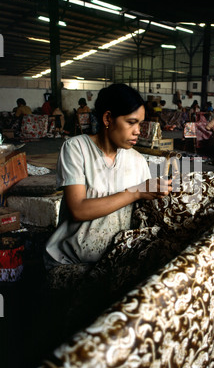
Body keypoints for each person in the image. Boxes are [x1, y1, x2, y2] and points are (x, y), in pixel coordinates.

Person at [44, 84, 172, 269]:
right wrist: (135, 192)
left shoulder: (137, 161)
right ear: (107, 118)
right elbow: (78, 210)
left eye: (140, 124)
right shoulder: (76, 148)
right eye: (131, 122)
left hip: (115, 261)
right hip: (69, 262)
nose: (138, 131)